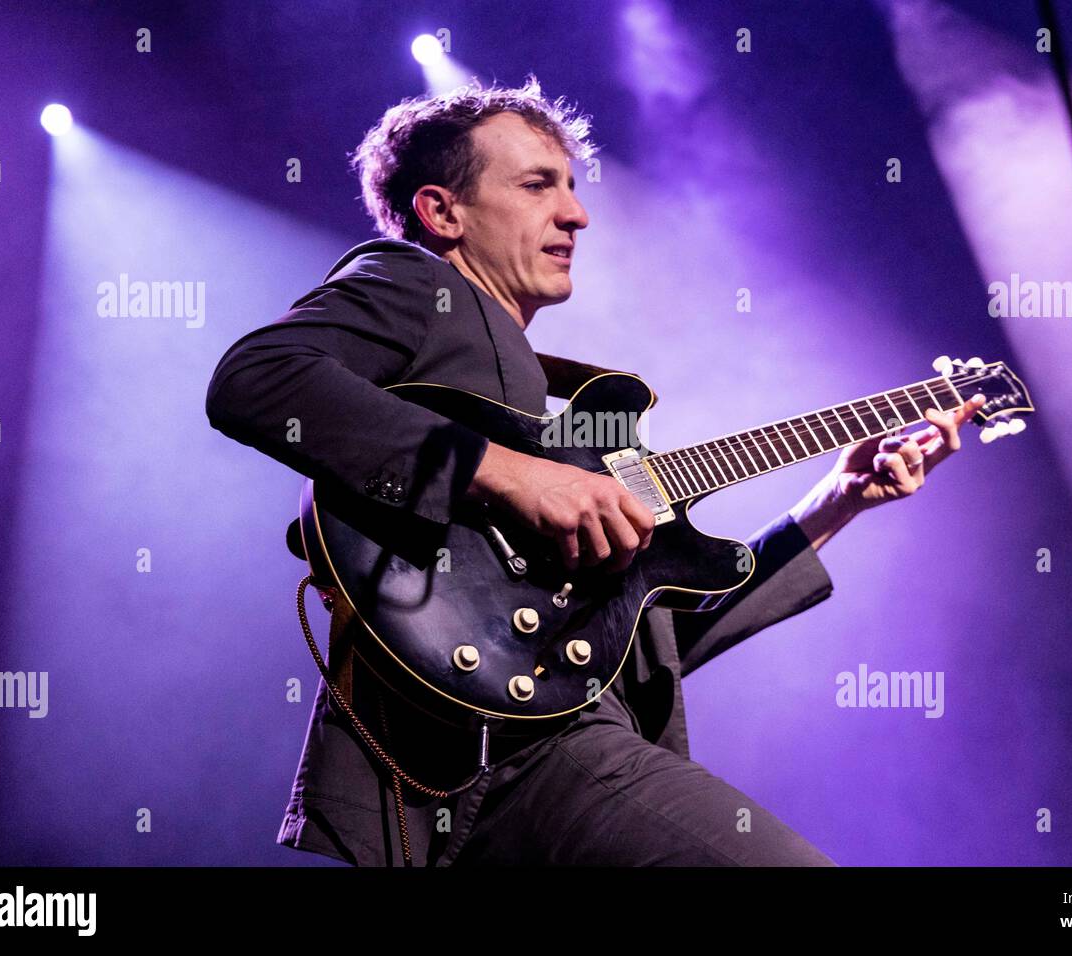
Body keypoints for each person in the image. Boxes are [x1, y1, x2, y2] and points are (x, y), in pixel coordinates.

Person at [204, 74, 985, 866]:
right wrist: (512, 475)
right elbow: (258, 377)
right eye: (538, 185)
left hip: (532, 756)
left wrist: (837, 500)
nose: (576, 213)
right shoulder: (417, 285)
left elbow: (651, 639)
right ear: (442, 212)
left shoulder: (571, 413)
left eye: (573, 188)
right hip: (527, 755)